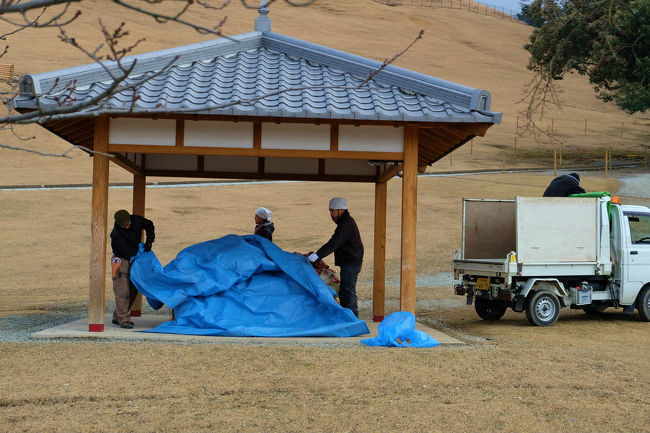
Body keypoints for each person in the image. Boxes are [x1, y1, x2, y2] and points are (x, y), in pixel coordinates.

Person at [308, 197, 364, 317]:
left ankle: (352, 318)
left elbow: (334, 243)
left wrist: (318, 255)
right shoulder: (345, 222)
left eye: (333, 211)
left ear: (341, 210)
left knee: (347, 291)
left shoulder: (346, 224)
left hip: (351, 262)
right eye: (330, 211)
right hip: (350, 261)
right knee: (344, 291)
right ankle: (347, 317)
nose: (331, 214)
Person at [110, 209, 155, 329]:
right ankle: (124, 320)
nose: (127, 226)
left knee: (134, 287)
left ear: (130, 218)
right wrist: (138, 253)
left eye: (128, 223)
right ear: (119, 224)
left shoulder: (136, 220)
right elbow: (124, 251)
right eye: (124, 226)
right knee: (122, 290)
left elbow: (149, 224)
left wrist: (149, 241)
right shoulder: (116, 234)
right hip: (121, 259)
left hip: (135, 258)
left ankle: (117, 316)